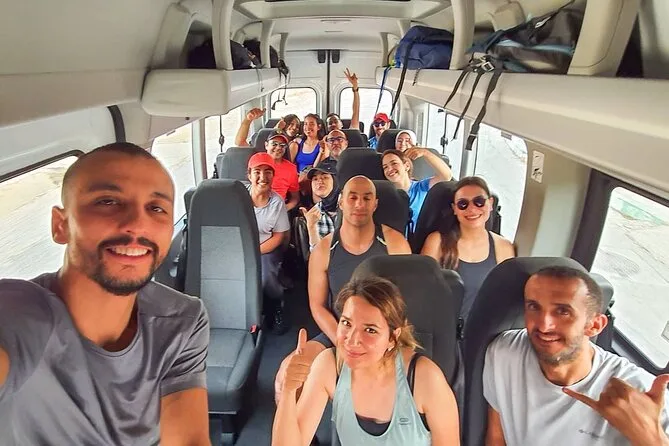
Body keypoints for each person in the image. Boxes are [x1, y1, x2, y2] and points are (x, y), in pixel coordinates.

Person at [0, 143, 210, 445]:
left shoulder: (183, 319)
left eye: (156, 208)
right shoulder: (19, 310)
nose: (138, 224)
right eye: (108, 202)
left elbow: (188, 440)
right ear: (61, 225)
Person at [484, 266, 669, 446]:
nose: (544, 325)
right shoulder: (505, 353)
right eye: (534, 307)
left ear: (594, 325)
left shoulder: (640, 393)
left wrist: (650, 438)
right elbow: (496, 437)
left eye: (563, 311)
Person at [272, 276, 460, 446]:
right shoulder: (328, 366)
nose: (352, 340)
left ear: (392, 338)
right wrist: (289, 391)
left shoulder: (426, 379)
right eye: (346, 323)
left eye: (370, 330)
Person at [275, 176, 412, 403]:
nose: (359, 204)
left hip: (382, 335)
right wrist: (343, 341)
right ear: (341, 202)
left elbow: (405, 301)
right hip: (337, 332)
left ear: (375, 204)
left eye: (366, 198)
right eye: (353, 197)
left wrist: (380, 341)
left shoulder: (395, 244)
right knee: (286, 379)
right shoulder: (323, 250)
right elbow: (317, 306)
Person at [421, 176, 514, 321]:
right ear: (454, 209)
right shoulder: (436, 242)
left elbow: (505, 299)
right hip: (441, 326)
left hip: (483, 327)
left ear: (490, 204)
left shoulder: (503, 247)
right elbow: (422, 292)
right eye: (463, 204)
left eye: (479, 202)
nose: (472, 209)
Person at [247, 152, 292, 334]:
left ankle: (276, 306)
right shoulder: (238, 197)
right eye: (257, 172)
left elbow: (278, 237)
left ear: (273, 176)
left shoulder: (277, 202)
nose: (262, 177)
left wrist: (253, 253)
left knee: (266, 277)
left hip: (267, 248)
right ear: (249, 175)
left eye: (268, 172)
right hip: (238, 248)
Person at [382, 147, 453, 233]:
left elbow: (446, 176)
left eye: (394, 163)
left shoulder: (421, 187)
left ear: (407, 166)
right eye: (385, 167)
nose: (389, 169)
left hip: (419, 237)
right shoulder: (385, 194)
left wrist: (426, 153)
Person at [299, 162, 339, 250]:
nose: (319, 182)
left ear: (335, 181)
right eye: (315, 179)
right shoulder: (314, 213)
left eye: (325, 177)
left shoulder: (349, 206)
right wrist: (311, 227)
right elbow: (316, 254)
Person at [264, 131, 300, 210]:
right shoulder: (258, 162)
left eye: (282, 145)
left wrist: (284, 209)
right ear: (266, 145)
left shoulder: (291, 168)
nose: (278, 148)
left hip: (278, 208)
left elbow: (295, 198)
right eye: (274, 144)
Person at [234, 107, 301, 147]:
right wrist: (248, 120)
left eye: (297, 126)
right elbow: (240, 143)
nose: (294, 128)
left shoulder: (297, 142)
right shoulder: (263, 140)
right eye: (291, 124)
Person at [325, 68, 361, 133]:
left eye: (335, 121)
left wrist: (355, 87)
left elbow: (356, 111)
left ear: (341, 124)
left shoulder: (351, 134)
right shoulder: (324, 138)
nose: (333, 124)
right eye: (330, 123)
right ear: (327, 127)